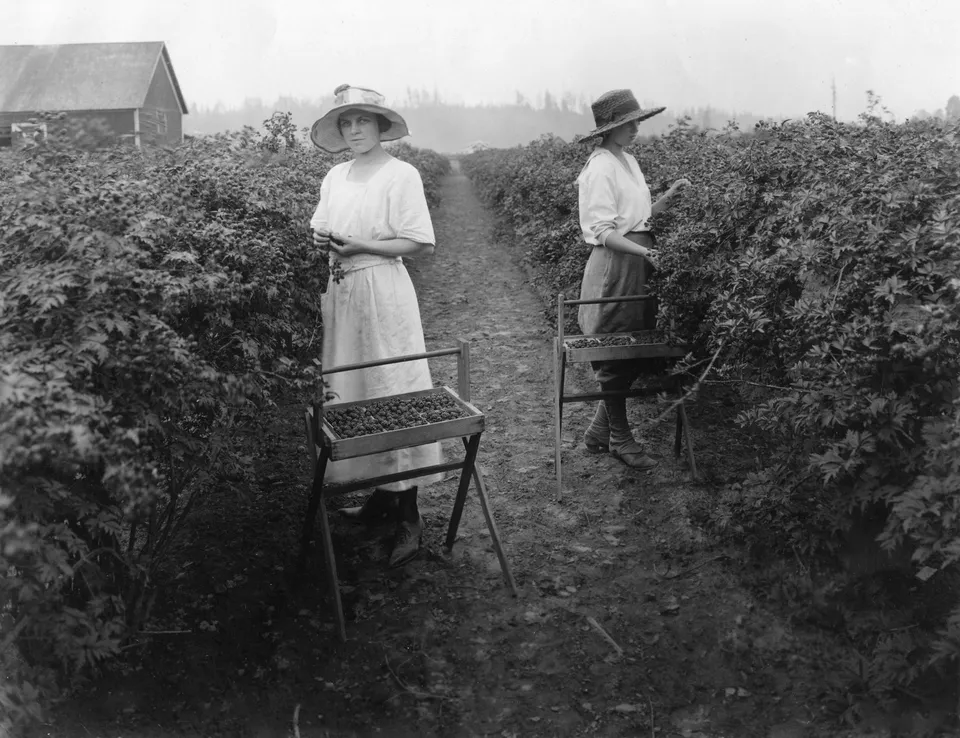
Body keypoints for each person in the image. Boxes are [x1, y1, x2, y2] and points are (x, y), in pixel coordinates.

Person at [309, 84, 442, 567]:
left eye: (362, 120)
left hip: (382, 292)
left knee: (391, 389)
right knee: (353, 389)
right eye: (346, 123)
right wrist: (328, 241)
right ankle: (379, 497)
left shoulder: (401, 175)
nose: (354, 130)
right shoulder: (335, 177)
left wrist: (362, 245)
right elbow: (320, 228)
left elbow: (419, 242)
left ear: (381, 125)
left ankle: (409, 513)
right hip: (340, 293)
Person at [575, 89, 691, 470]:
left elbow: (636, 218)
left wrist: (668, 197)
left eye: (638, 121)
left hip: (638, 263)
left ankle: (598, 431)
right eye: (629, 123)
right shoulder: (600, 167)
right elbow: (604, 231)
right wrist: (643, 253)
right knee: (615, 352)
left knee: (635, 348)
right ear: (610, 128)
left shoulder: (628, 161)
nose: (636, 128)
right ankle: (621, 440)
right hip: (616, 267)